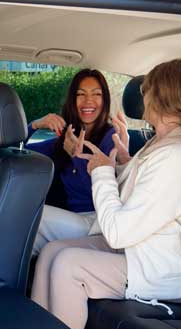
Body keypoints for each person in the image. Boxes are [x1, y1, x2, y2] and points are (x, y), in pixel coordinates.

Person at [31, 58, 181, 329]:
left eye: (148, 89)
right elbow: (146, 197)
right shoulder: (164, 144)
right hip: (144, 248)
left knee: (67, 265)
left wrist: (102, 172)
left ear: (161, 96)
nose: (142, 96)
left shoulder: (179, 157)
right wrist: (123, 162)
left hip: (167, 268)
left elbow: (117, 232)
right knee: (52, 251)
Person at [24, 69, 126, 254]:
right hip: (73, 220)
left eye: (96, 94)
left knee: (28, 211)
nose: (88, 101)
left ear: (105, 101)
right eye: (81, 94)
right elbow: (18, 152)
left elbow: (99, 192)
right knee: (24, 242)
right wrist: (35, 125)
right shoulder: (68, 137)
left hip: (97, 222)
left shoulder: (112, 137)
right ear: (73, 100)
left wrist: (76, 157)